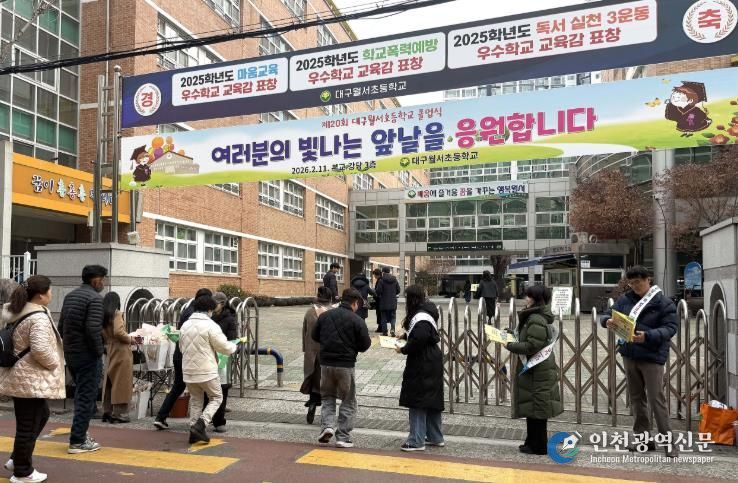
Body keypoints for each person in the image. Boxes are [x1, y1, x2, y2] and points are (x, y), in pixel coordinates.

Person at [600, 266, 678, 457]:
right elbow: (608, 313)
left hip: (652, 356)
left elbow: (670, 328)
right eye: (631, 283)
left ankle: (669, 444)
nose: (635, 286)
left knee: (656, 399)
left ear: (647, 280)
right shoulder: (625, 299)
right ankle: (643, 440)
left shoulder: (663, 302)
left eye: (638, 282)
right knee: (636, 399)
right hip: (630, 354)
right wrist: (607, 321)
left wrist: (648, 336)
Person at [0, 276, 64, 483]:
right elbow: (41, 349)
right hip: (30, 378)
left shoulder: (18, 311)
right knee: (28, 425)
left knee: (40, 415)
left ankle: (17, 459)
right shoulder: (38, 317)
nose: (51, 294)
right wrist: (55, 363)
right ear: (40, 295)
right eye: (50, 290)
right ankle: (23, 472)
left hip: (21, 376)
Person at [503, 284, 562, 456]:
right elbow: (528, 337)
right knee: (533, 408)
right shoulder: (535, 315)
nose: (526, 299)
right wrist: (510, 334)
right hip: (535, 369)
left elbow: (532, 345)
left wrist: (510, 345)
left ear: (536, 299)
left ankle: (539, 446)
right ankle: (531, 442)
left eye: (528, 296)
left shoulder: (536, 318)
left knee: (538, 409)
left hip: (538, 370)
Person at [312, 288, 371, 448]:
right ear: (355, 303)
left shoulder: (325, 316)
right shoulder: (357, 320)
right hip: (345, 365)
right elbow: (365, 345)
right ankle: (343, 437)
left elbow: (315, 336)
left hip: (326, 364)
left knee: (327, 397)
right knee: (348, 400)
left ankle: (327, 427)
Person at [58, 264, 107, 454]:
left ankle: (81, 434)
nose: (103, 284)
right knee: (86, 397)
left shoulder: (70, 296)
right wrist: (99, 352)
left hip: (71, 353)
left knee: (80, 395)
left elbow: (61, 326)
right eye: (102, 280)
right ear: (95, 280)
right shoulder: (95, 299)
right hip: (88, 355)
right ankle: (78, 440)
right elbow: (93, 330)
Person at [179, 295, 237, 444]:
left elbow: (181, 347)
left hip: (188, 371)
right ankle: (201, 424)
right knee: (216, 397)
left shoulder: (185, 325)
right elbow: (223, 347)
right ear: (209, 309)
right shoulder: (211, 325)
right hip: (207, 371)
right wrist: (234, 346)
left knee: (196, 400)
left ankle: (193, 430)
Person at [154, 287, 212, 430]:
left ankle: (161, 417)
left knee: (178, 386)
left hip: (179, 355)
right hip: (188, 356)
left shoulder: (188, 310)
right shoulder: (195, 315)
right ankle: (203, 420)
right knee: (203, 385)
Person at [395, 285, 445, 452]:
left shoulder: (420, 316)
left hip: (423, 361)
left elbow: (420, 338)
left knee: (417, 399)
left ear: (412, 299)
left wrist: (403, 349)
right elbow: (423, 333)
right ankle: (435, 437)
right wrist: (406, 335)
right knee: (431, 400)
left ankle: (416, 440)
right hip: (432, 359)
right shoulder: (428, 311)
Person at [101, 292, 136, 424]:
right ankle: (119, 413)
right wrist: (130, 339)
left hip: (109, 348)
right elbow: (119, 332)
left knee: (109, 381)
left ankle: (107, 411)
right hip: (121, 350)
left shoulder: (103, 315)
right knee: (121, 381)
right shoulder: (117, 314)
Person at [207, 292, 239, 433]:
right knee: (207, 388)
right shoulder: (208, 316)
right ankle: (206, 417)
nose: (213, 306)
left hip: (222, 357)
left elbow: (232, 339)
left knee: (221, 389)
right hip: (208, 356)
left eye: (216, 303)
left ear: (222, 304)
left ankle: (219, 421)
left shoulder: (230, 318)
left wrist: (223, 345)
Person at [301, 286, 333, 424]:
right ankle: (326, 418)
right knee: (326, 383)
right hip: (326, 352)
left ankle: (313, 403)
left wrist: (306, 349)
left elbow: (304, 332)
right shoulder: (332, 312)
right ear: (330, 299)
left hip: (311, 352)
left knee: (314, 379)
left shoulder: (309, 312)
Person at [375, 266, 401, 337]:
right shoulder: (394, 280)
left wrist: (381, 294)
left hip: (383, 302)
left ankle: (385, 332)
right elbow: (398, 290)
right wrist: (393, 294)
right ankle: (392, 330)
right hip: (393, 302)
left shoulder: (381, 280)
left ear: (383, 272)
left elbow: (378, 291)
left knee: (383, 317)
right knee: (393, 317)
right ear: (389, 272)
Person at [371, 268, 383, 333]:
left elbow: (378, 291)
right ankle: (381, 327)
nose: (374, 276)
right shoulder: (381, 280)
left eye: (374, 275)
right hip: (381, 300)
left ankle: (380, 328)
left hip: (379, 300)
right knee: (380, 314)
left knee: (379, 314)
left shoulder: (380, 280)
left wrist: (374, 292)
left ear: (377, 274)